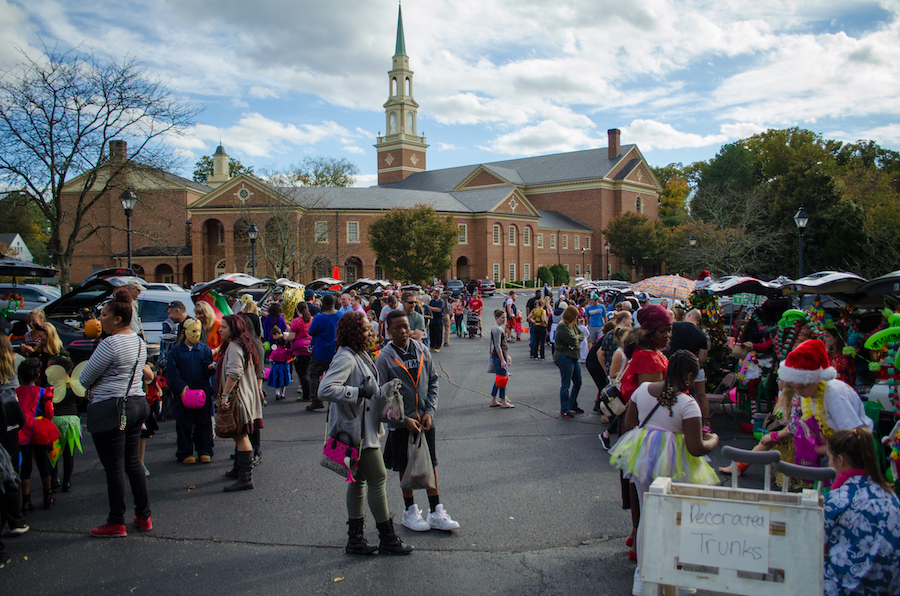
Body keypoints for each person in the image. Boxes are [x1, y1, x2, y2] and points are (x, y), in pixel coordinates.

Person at [609, 350, 719, 596]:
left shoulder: (643, 389)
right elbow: (696, 447)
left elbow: (629, 424)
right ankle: (673, 572)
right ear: (689, 376)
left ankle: (643, 575)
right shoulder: (688, 405)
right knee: (675, 518)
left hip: (643, 458)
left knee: (648, 514)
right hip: (675, 463)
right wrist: (714, 440)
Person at [319, 311, 413, 555]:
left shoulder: (358, 354)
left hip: (363, 430)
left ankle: (356, 539)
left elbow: (369, 389)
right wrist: (357, 392)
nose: (370, 331)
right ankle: (388, 538)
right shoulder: (346, 357)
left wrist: (384, 390)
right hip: (355, 433)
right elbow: (326, 389)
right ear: (353, 332)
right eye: (364, 328)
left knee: (358, 481)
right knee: (378, 478)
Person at [720, 339, 873, 476]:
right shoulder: (809, 392)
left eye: (801, 387)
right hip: (834, 452)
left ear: (815, 379)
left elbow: (853, 435)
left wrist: (822, 449)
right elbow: (800, 422)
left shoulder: (834, 393)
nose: (798, 393)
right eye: (794, 388)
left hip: (852, 457)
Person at [377, 310, 460, 532]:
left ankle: (436, 511)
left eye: (405, 326)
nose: (403, 331)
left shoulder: (422, 350)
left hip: (424, 420)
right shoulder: (384, 358)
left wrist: (430, 411)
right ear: (388, 330)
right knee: (405, 467)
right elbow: (381, 396)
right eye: (397, 328)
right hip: (401, 423)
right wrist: (402, 420)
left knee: (431, 463)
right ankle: (410, 510)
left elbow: (433, 381)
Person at [79, 288, 153, 537]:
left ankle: (116, 521)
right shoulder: (139, 342)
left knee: (114, 467)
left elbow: (85, 378)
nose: (100, 319)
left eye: (103, 314)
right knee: (133, 463)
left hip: (112, 407)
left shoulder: (110, 344)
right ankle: (144, 516)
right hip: (136, 404)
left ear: (117, 318)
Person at [823, 428, 900, 595]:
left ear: (840, 460)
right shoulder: (892, 496)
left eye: (829, 458)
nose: (829, 464)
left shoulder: (837, 500)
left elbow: (812, 544)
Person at [215, 315, 265, 492]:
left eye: (224, 327)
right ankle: (239, 470)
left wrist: (225, 395)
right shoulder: (241, 344)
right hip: (246, 395)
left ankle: (245, 478)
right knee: (240, 434)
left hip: (240, 397)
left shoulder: (235, 346)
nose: (220, 330)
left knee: (241, 435)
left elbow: (234, 372)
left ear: (233, 329)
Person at [165, 317, 215, 465]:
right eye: (193, 331)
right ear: (185, 332)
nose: (196, 334)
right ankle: (185, 451)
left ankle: (205, 450)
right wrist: (180, 386)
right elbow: (172, 372)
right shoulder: (175, 352)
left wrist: (210, 368)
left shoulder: (204, 349)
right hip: (184, 394)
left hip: (202, 393)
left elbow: (206, 366)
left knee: (204, 423)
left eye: (199, 331)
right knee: (184, 424)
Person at [17, 357, 57, 511]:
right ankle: (47, 496)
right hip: (40, 429)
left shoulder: (16, 392)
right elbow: (49, 413)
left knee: (25, 466)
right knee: (43, 463)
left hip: (22, 430)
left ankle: (25, 500)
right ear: (38, 375)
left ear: (20, 376)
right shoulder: (42, 392)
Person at [664, 308, 710, 419]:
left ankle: (674, 419)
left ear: (688, 315)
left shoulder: (675, 327)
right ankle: (707, 424)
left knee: (672, 393)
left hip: (673, 367)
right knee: (701, 396)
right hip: (695, 369)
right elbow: (702, 358)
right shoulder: (702, 335)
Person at [47, 355, 82, 492]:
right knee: (69, 453)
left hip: (55, 420)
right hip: (71, 421)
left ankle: (54, 478)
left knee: (53, 451)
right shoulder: (74, 385)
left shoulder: (51, 386)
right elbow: (79, 401)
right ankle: (67, 482)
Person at [306, 294, 342, 411]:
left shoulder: (319, 318)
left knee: (314, 375)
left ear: (323, 305)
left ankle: (316, 400)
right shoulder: (341, 316)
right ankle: (336, 400)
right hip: (336, 351)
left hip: (320, 352)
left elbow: (311, 331)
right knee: (337, 377)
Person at [554, 306, 585, 418]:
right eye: (575, 316)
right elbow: (573, 340)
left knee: (578, 382)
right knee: (566, 384)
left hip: (573, 356)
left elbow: (581, 335)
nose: (577, 318)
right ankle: (565, 409)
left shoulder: (572, 324)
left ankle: (572, 404)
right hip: (564, 356)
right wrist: (576, 340)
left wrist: (575, 339)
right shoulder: (563, 326)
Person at [283, 302, 312, 402]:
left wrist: (285, 337)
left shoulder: (296, 321)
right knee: (309, 372)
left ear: (297, 310)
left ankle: (307, 395)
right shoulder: (312, 319)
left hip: (299, 350)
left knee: (303, 374)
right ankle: (312, 393)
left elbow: (292, 337)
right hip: (311, 348)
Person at [488, 309, 514, 408]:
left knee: (499, 378)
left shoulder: (497, 328)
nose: (504, 319)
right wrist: (503, 360)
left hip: (499, 356)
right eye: (502, 317)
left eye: (505, 317)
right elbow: (498, 346)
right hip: (499, 357)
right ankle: (503, 401)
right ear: (497, 318)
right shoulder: (497, 329)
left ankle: (494, 400)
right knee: (503, 379)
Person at [159, 301, 188, 372]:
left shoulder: (190, 325)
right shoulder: (181, 325)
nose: (169, 317)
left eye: (170, 313)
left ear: (177, 311)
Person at [266, 336, 293, 401]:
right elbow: (290, 357)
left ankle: (277, 393)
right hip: (284, 366)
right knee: (284, 380)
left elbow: (270, 359)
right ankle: (282, 394)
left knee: (276, 380)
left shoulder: (274, 351)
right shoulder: (286, 351)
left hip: (276, 366)